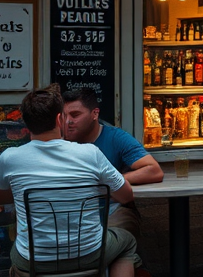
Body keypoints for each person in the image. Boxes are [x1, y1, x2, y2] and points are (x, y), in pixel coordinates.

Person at [0, 86, 143, 277]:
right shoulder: (89, 154)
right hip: (89, 255)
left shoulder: (9, 158)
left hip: (36, 260)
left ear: (25, 122)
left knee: (18, 262)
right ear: (59, 119)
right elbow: (125, 195)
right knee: (127, 242)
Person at [62, 88, 162, 267]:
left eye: (75, 115)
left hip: (112, 208)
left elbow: (153, 170)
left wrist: (113, 181)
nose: (68, 121)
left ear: (95, 114)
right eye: (64, 115)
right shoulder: (58, 141)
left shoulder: (114, 137)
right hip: (72, 211)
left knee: (114, 236)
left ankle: (125, 276)